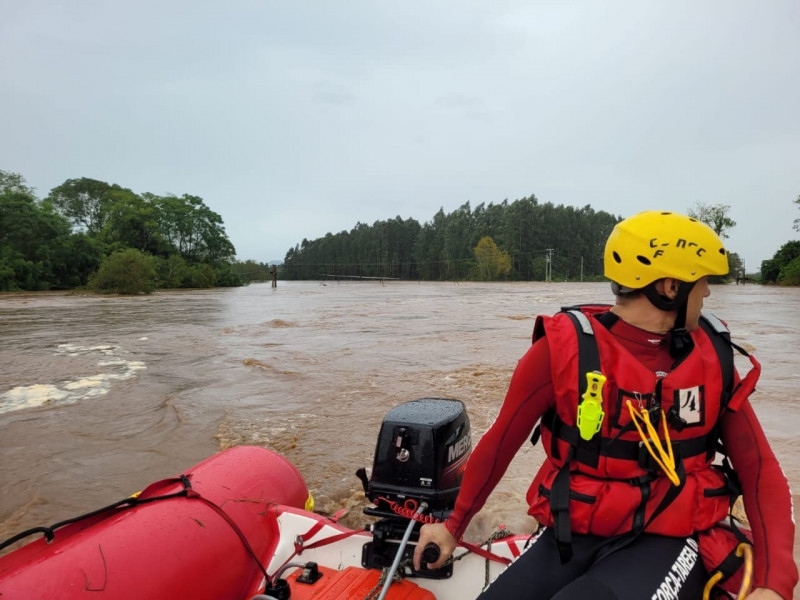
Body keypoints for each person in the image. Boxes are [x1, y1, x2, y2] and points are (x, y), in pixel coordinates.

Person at [413, 211, 797, 599]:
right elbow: (499, 444)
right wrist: (453, 525)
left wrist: (774, 581)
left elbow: (760, 469)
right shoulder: (559, 353)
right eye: (702, 282)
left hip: (672, 536)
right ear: (670, 288)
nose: (708, 294)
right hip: (574, 533)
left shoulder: (713, 357)